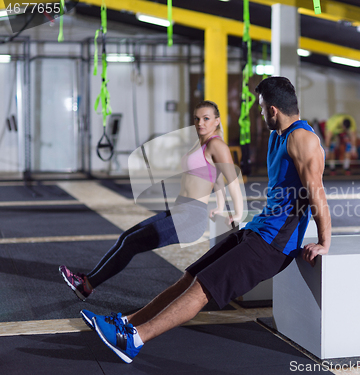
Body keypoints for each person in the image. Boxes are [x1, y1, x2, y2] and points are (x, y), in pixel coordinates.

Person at [82, 76, 332, 364]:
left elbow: (317, 193)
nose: (260, 114)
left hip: (273, 245)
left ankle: (134, 339)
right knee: (190, 277)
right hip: (257, 230)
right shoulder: (280, 135)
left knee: (203, 289)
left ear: (274, 110)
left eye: (262, 109)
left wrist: (324, 242)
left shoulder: (303, 139)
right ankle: (127, 323)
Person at [59, 100, 244, 301]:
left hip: (190, 218)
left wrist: (238, 212)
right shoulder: (200, 143)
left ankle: (87, 285)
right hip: (180, 211)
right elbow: (215, 176)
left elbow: (232, 178)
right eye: (197, 119)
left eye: (206, 119)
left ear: (217, 121)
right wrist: (218, 205)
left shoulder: (216, 144)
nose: (200, 123)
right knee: (126, 236)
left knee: (132, 243)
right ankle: (86, 281)